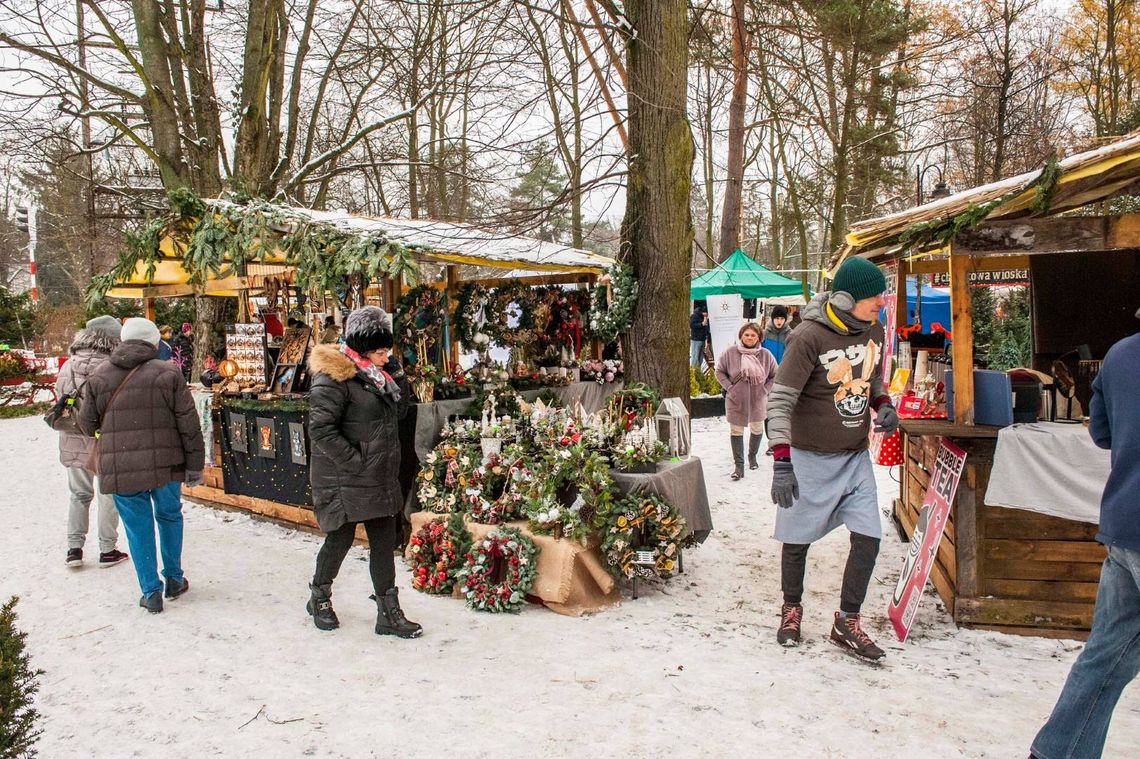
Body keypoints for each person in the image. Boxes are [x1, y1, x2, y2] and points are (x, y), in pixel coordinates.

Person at [765, 256, 898, 662]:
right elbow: (780, 401)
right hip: (807, 455)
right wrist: (782, 461)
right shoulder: (808, 337)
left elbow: (871, 375)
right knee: (797, 536)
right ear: (847, 298)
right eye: (874, 295)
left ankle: (847, 621)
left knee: (869, 537)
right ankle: (791, 608)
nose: (881, 301)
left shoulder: (872, 328)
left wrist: (883, 403)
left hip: (854, 457)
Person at [1030, 318, 1140, 759]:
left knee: (1106, 658)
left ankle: (1058, 751)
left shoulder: (1121, 354)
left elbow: (1101, 432)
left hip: (1125, 525)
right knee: (1106, 658)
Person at [306, 306, 421, 638]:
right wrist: (357, 462)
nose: (386, 356)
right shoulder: (333, 377)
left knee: (384, 543)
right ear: (361, 347)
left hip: (379, 474)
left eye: (387, 350)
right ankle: (320, 596)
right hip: (346, 477)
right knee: (339, 539)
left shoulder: (378, 376)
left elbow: (399, 413)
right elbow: (321, 431)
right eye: (380, 350)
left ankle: (388, 613)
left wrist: (397, 377)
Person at [77, 318, 205, 614]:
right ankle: (174, 578)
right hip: (167, 464)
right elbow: (189, 425)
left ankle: (150, 591)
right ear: (154, 342)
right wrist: (195, 465)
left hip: (121, 466)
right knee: (170, 516)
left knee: (138, 527)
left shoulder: (98, 376)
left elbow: (86, 425)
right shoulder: (169, 373)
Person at [56, 315, 129, 569]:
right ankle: (107, 549)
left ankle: (74, 549)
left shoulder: (68, 365)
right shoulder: (113, 366)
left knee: (78, 493)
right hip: (103, 438)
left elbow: (59, 395)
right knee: (108, 493)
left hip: (72, 436)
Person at [716, 322, 777, 481]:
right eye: (746, 335)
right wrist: (729, 387)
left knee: (757, 429)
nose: (749, 338)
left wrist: (765, 390)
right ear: (741, 336)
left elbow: (775, 375)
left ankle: (752, 456)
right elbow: (719, 371)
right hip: (736, 399)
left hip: (758, 399)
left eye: (753, 335)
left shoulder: (765, 354)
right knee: (736, 431)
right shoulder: (731, 352)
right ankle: (739, 466)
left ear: (759, 337)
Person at [689, 305, 710, 369]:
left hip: (702, 339)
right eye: (706, 313)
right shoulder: (694, 316)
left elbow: (706, 328)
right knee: (695, 357)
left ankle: (698, 371)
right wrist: (701, 324)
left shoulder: (704, 317)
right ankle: (693, 372)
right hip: (696, 340)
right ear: (703, 312)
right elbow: (692, 325)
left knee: (700, 357)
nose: (707, 315)